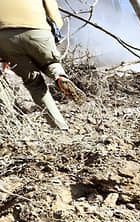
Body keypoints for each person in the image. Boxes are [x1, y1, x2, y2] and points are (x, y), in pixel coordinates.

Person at [0, 0, 86, 130]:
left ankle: (59, 126)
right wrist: (52, 33)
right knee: (51, 62)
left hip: (5, 37)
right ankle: (60, 77)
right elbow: (55, 17)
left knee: (34, 82)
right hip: (38, 30)